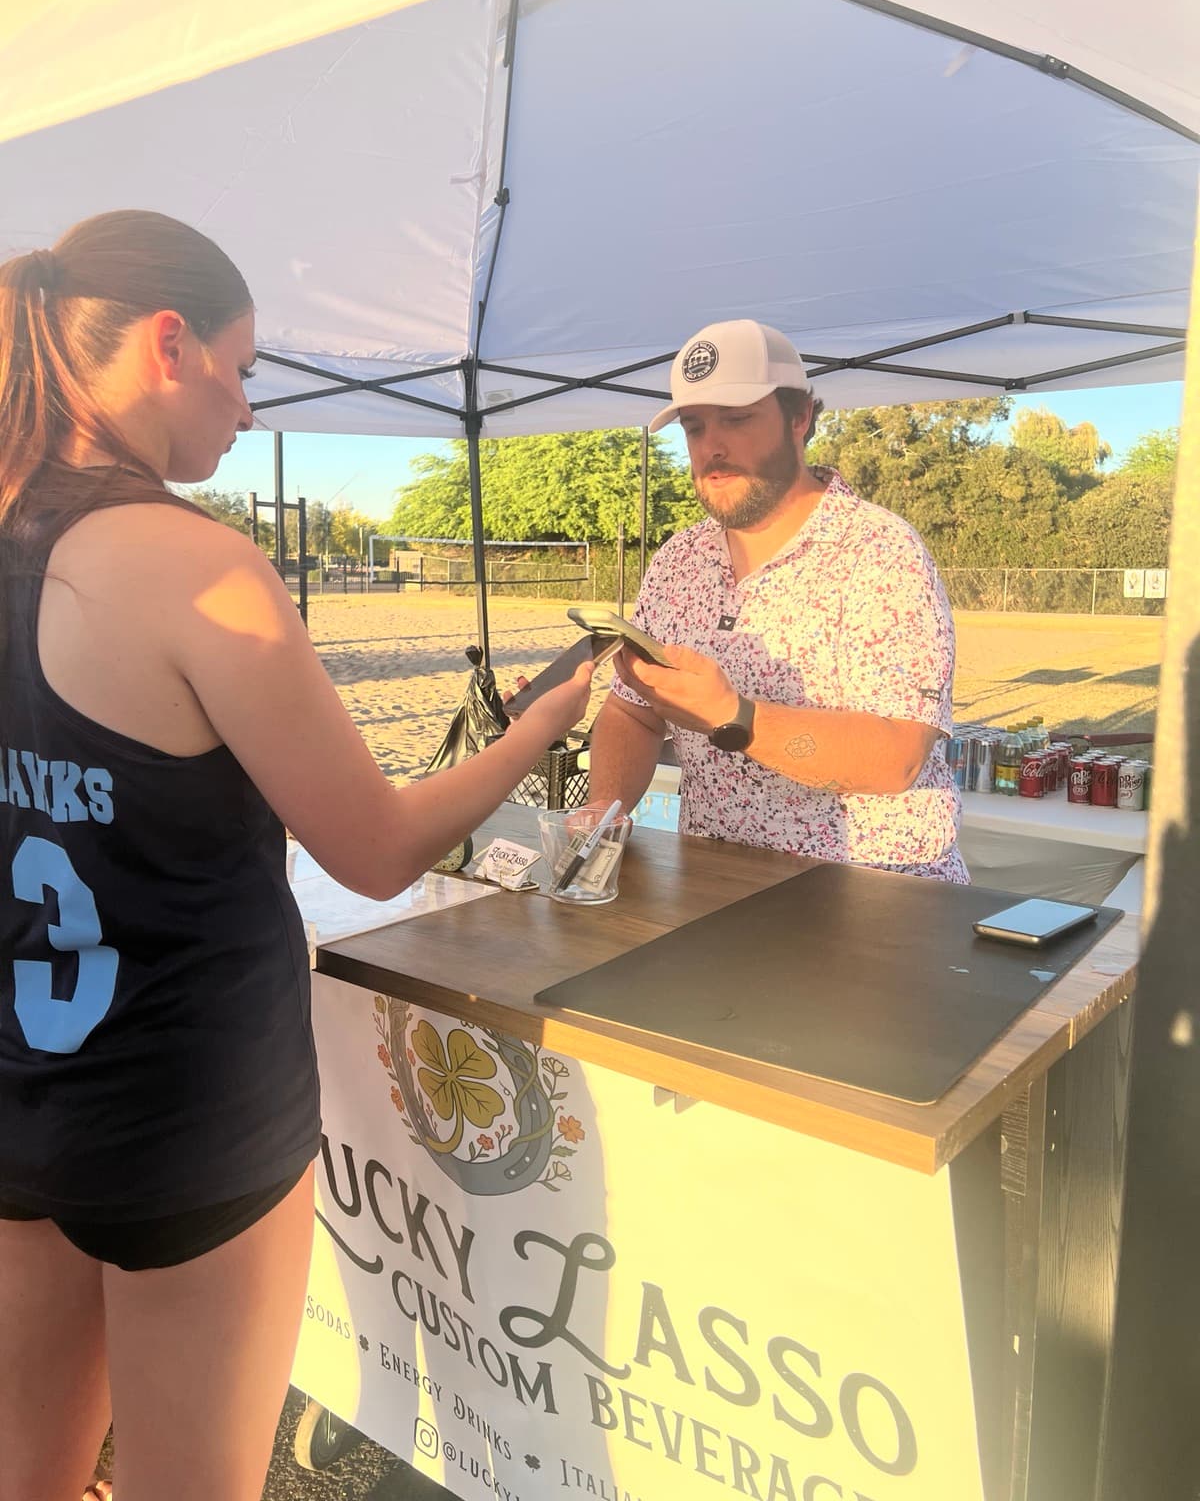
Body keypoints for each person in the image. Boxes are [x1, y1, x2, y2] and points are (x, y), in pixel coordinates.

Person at [0, 210, 594, 1501]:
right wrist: (537, 730)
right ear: (172, 345)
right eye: (244, 364)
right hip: (191, 1122)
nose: (248, 407)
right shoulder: (195, 565)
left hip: (28, 1102)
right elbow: (374, 848)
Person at [587, 318, 967, 883]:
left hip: (877, 894)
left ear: (801, 418)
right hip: (716, 888)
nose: (711, 448)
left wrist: (733, 715)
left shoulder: (879, 552)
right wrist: (605, 812)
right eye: (693, 427)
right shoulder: (678, 560)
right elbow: (632, 713)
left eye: (737, 420)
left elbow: (899, 755)